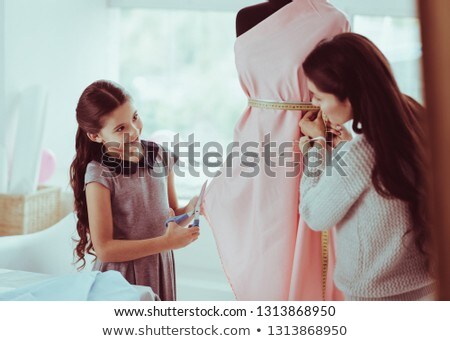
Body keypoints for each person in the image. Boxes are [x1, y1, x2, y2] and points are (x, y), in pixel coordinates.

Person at [203, 0, 349, 300]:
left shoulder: (332, 19)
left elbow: (342, 88)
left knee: (308, 238)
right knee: (263, 255)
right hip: (256, 148)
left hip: (308, 139)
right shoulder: (246, 16)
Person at [298, 32, 435, 300]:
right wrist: (341, 148)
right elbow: (375, 188)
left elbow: (314, 214)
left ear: (348, 98)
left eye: (318, 97)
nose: (313, 104)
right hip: (429, 288)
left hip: (376, 300)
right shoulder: (413, 116)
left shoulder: (361, 153)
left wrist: (314, 147)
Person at [69, 80, 200, 301]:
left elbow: (170, 214)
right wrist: (166, 243)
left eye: (134, 117)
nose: (134, 130)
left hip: (159, 266)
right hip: (120, 279)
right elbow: (105, 249)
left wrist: (191, 208)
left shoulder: (160, 156)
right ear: (96, 136)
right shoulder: (99, 174)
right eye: (120, 128)